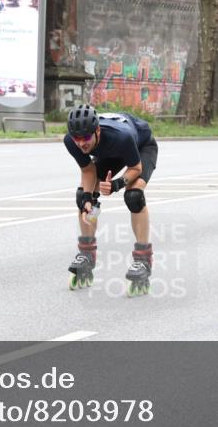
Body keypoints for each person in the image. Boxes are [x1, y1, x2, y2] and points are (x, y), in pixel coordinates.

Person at [64, 104, 159, 296]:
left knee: (133, 196)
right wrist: (88, 198)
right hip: (110, 152)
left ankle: (143, 259)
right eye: (77, 138)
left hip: (140, 148)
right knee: (83, 196)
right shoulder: (71, 141)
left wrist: (117, 184)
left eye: (86, 138)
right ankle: (87, 254)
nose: (81, 143)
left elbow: (136, 169)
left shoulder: (121, 136)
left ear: (97, 130)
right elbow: (88, 170)